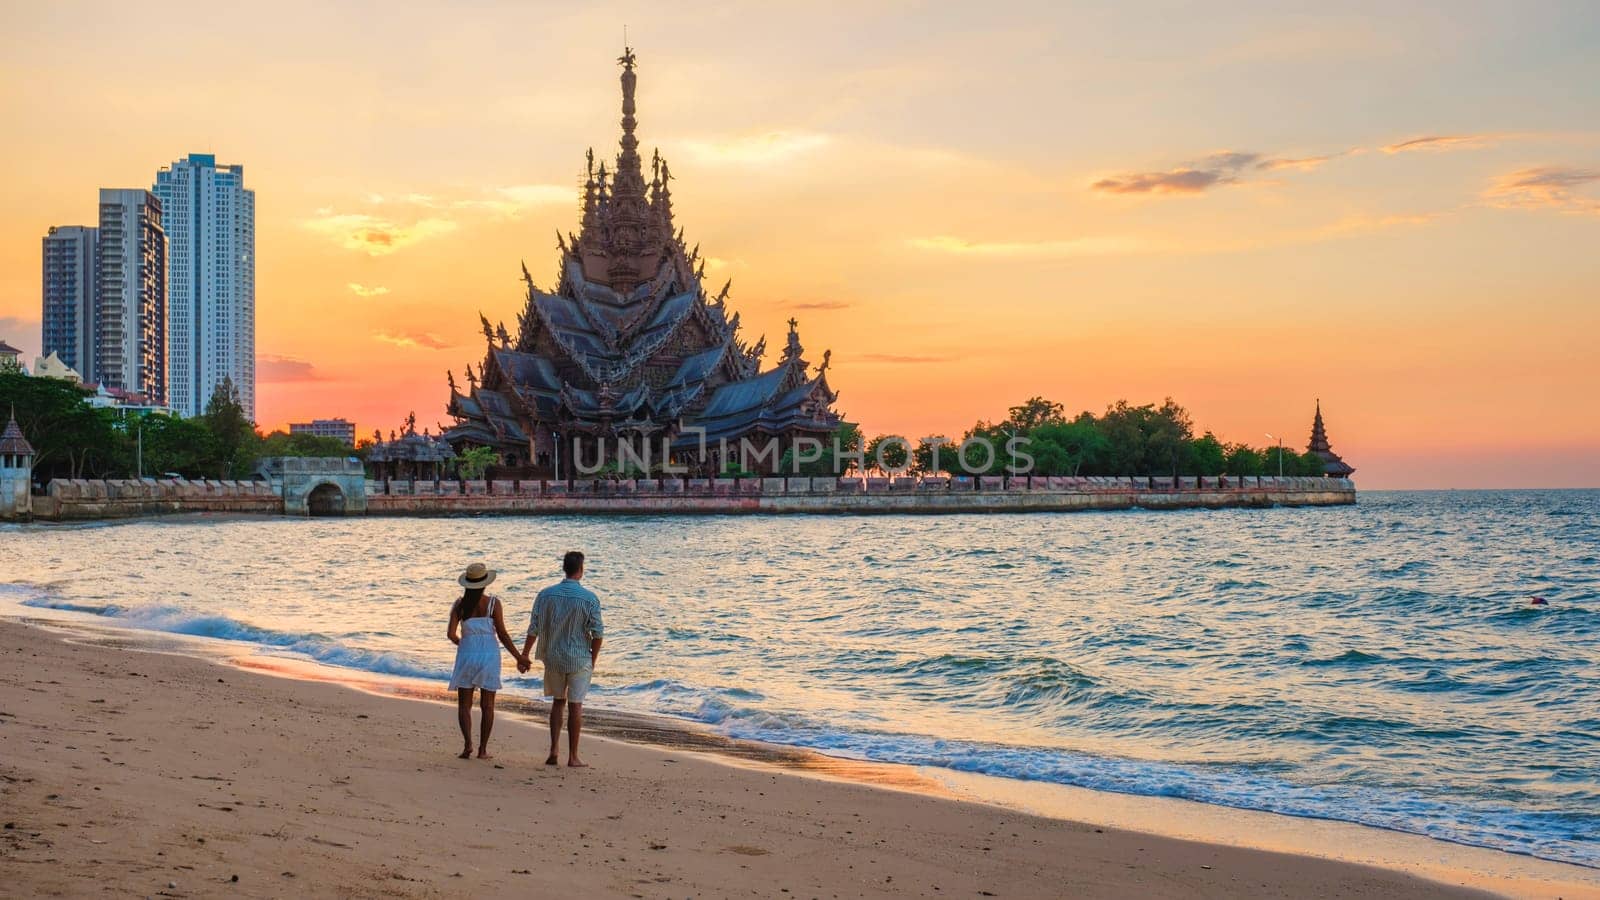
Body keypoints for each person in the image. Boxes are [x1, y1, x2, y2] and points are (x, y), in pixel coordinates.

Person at [519, 551, 604, 767]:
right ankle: (573, 756)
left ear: (564, 568)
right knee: (576, 706)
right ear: (581, 570)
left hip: (553, 656)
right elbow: (598, 633)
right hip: (579, 658)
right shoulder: (589, 598)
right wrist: (592, 660)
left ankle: (554, 750)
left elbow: (534, 628)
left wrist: (525, 654)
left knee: (558, 703)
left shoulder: (545, 595)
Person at [447, 562, 527, 760]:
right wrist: (519, 657)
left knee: (464, 705)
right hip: (489, 656)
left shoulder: (459, 605)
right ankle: (482, 750)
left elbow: (450, 634)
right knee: (487, 705)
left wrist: (465, 645)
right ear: (484, 583)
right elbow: (502, 634)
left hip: (467, 655)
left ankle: (467, 746)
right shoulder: (493, 604)